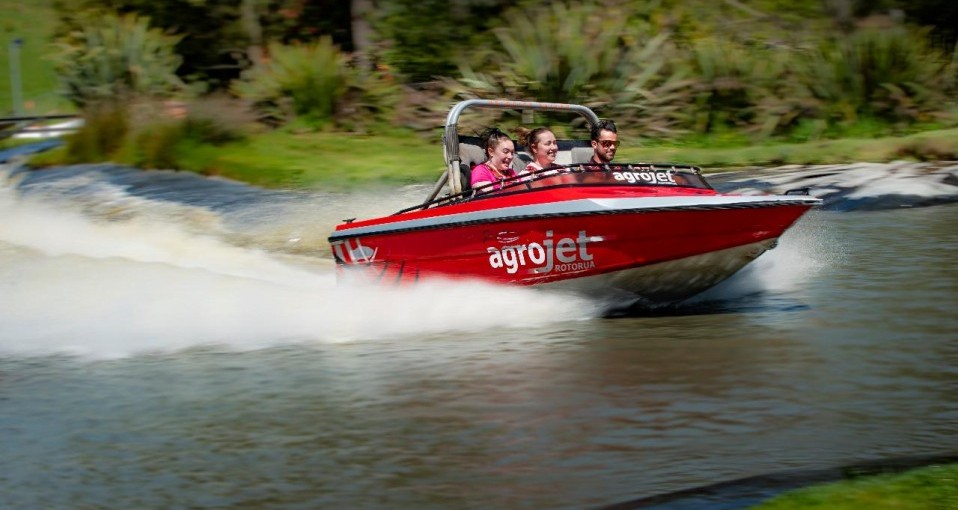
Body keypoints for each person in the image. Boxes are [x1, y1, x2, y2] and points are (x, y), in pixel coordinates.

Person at [470, 127, 516, 192]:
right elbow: (486, 193)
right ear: (491, 152)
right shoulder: (480, 171)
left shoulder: (511, 172)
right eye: (506, 151)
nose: (510, 156)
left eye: (512, 153)